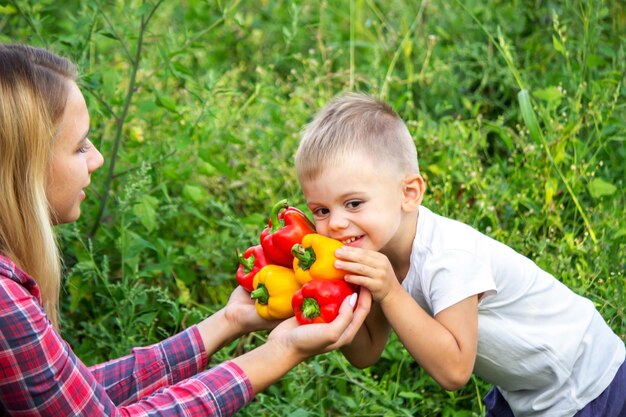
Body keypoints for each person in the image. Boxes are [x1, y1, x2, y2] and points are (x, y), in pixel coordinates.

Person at [0, 43, 371, 416]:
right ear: (24, 164)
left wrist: (229, 321)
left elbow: (77, 398)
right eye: (80, 147)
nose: (97, 158)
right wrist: (281, 351)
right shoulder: (4, 301)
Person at [294, 92, 626, 417]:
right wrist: (328, 300)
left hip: (583, 381)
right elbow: (366, 351)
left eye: (353, 203)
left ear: (409, 193)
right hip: (527, 390)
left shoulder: (448, 257)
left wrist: (391, 292)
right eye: (321, 210)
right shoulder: (376, 253)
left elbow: (454, 372)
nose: (335, 224)